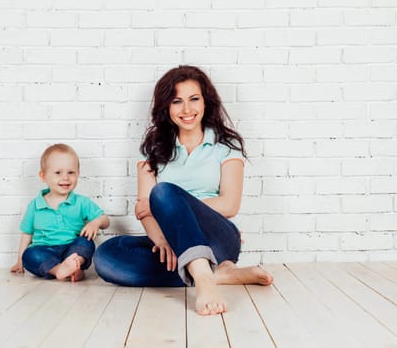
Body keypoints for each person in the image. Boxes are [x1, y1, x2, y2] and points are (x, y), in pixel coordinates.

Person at [94, 65, 273, 315]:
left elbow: (230, 204)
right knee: (106, 256)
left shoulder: (225, 147)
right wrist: (162, 238)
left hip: (217, 240)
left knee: (164, 192)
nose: (186, 110)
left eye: (194, 99)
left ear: (206, 102)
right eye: (177, 101)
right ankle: (219, 275)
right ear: (166, 107)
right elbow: (144, 210)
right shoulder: (153, 150)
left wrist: (172, 206)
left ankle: (203, 277)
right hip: (174, 242)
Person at [11, 143, 110, 282]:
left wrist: (96, 222)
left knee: (86, 242)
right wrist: (19, 261)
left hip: (72, 249)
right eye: (58, 172)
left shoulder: (81, 202)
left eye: (71, 172)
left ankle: (75, 267)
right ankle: (60, 270)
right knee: (29, 255)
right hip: (45, 250)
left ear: (78, 174)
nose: (65, 178)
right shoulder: (35, 205)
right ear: (43, 176)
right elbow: (27, 234)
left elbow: (106, 221)